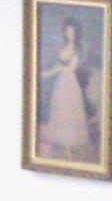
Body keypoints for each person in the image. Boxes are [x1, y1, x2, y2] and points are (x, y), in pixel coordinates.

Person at [39, 19, 93, 160]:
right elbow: (59, 65)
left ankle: (71, 145)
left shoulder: (78, 48)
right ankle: (61, 142)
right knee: (60, 109)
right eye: (68, 31)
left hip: (70, 81)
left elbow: (71, 68)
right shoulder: (64, 47)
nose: (70, 34)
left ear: (76, 32)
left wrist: (55, 71)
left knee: (70, 111)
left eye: (72, 31)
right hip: (61, 81)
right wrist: (47, 73)